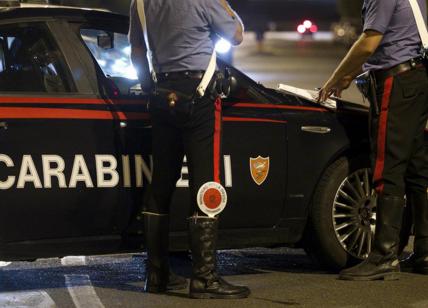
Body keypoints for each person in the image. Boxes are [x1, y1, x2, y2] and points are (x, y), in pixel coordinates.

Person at [129, 0, 250, 299]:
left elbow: (137, 50)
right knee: (205, 184)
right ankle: (204, 278)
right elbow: (235, 35)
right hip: (200, 98)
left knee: (161, 185)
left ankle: (157, 275)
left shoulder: (141, 3)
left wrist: (151, 88)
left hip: (161, 96)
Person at [318, 0, 428, 280]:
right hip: (416, 77)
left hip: (396, 82)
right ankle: (425, 253)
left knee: (387, 166)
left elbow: (369, 43)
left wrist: (337, 77)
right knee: (417, 169)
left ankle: (383, 256)